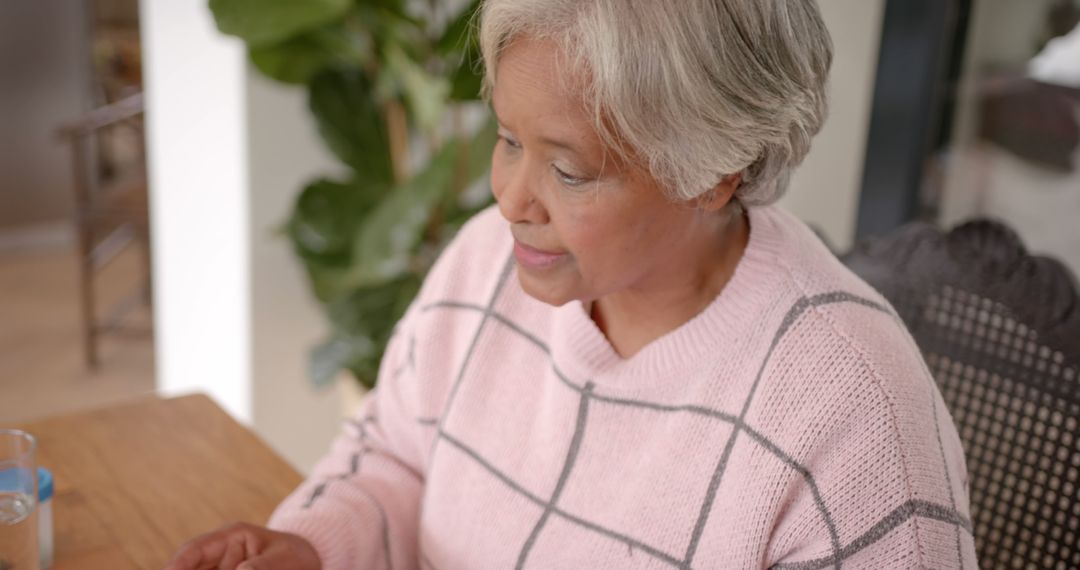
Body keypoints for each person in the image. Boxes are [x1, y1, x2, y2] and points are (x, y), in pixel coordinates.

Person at [167, 1, 978, 568]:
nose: (511, 200)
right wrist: (311, 548)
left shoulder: (855, 411)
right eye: (509, 140)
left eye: (568, 169)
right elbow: (395, 455)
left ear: (714, 175)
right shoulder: (487, 263)